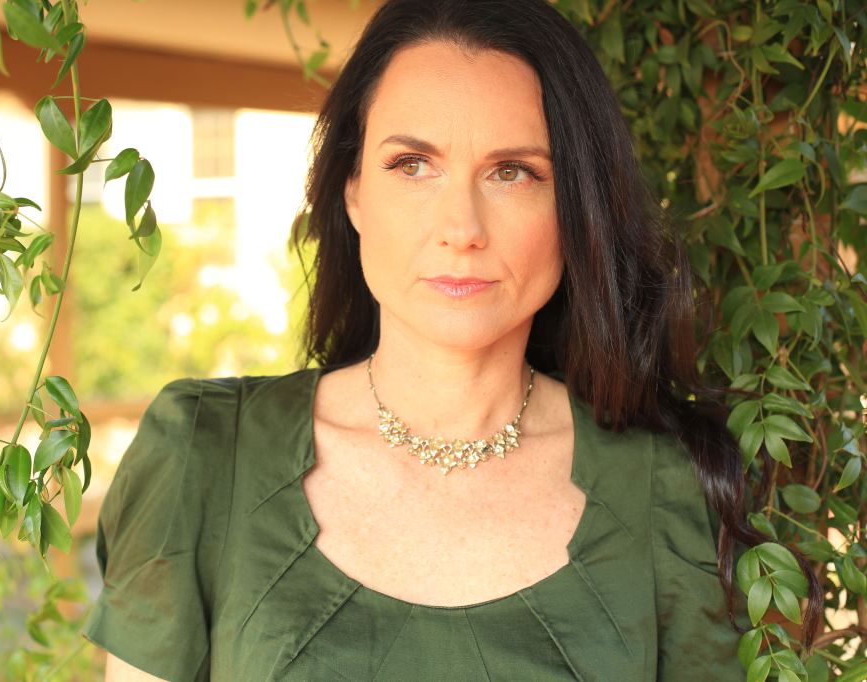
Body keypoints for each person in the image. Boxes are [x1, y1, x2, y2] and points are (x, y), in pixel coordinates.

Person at [81, 0, 822, 680]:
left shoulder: (670, 491)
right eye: (413, 165)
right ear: (353, 192)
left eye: (513, 172)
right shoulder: (205, 458)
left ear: (575, 207)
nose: (461, 229)